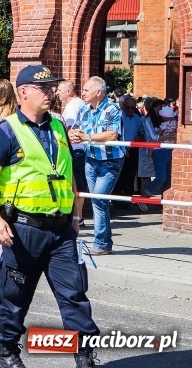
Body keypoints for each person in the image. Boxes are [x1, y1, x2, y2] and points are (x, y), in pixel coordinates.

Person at [0, 64, 99, 368]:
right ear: (23, 93)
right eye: (43, 88)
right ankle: (7, 352)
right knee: (15, 297)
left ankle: (84, 356)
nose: (51, 92)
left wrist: (75, 218)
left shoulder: (58, 127)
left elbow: (69, 174)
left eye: (52, 87)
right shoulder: (5, 131)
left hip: (60, 231)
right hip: (23, 230)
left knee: (75, 296)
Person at [69, 76, 124, 256]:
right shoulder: (84, 110)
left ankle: (101, 243)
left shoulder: (113, 108)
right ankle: (105, 243)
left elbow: (112, 135)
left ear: (98, 92)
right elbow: (76, 129)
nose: (82, 93)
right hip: (91, 159)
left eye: (86, 90)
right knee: (97, 201)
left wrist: (87, 137)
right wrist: (74, 135)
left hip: (110, 161)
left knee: (99, 200)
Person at [58, 80, 88, 225]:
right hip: (78, 148)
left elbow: (67, 129)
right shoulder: (77, 104)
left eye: (59, 90)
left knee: (76, 182)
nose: (57, 93)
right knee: (77, 181)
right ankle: (77, 215)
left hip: (76, 149)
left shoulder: (73, 106)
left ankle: (78, 216)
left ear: (68, 91)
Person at [140, 105, 175, 208]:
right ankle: (147, 198)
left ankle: (145, 198)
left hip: (161, 149)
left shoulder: (162, 124)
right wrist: (171, 136)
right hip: (167, 149)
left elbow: (156, 137)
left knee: (163, 177)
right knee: (164, 178)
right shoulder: (175, 123)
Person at [112, 95, 141, 206]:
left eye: (132, 108)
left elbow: (140, 132)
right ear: (123, 107)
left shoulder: (137, 118)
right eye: (127, 107)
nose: (130, 110)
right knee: (119, 176)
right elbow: (116, 134)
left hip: (133, 149)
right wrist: (123, 148)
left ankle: (127, 201)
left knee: (130, 176)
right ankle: (117, 201)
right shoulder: (118, 117)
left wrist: (139, 137)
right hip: (120, 148)